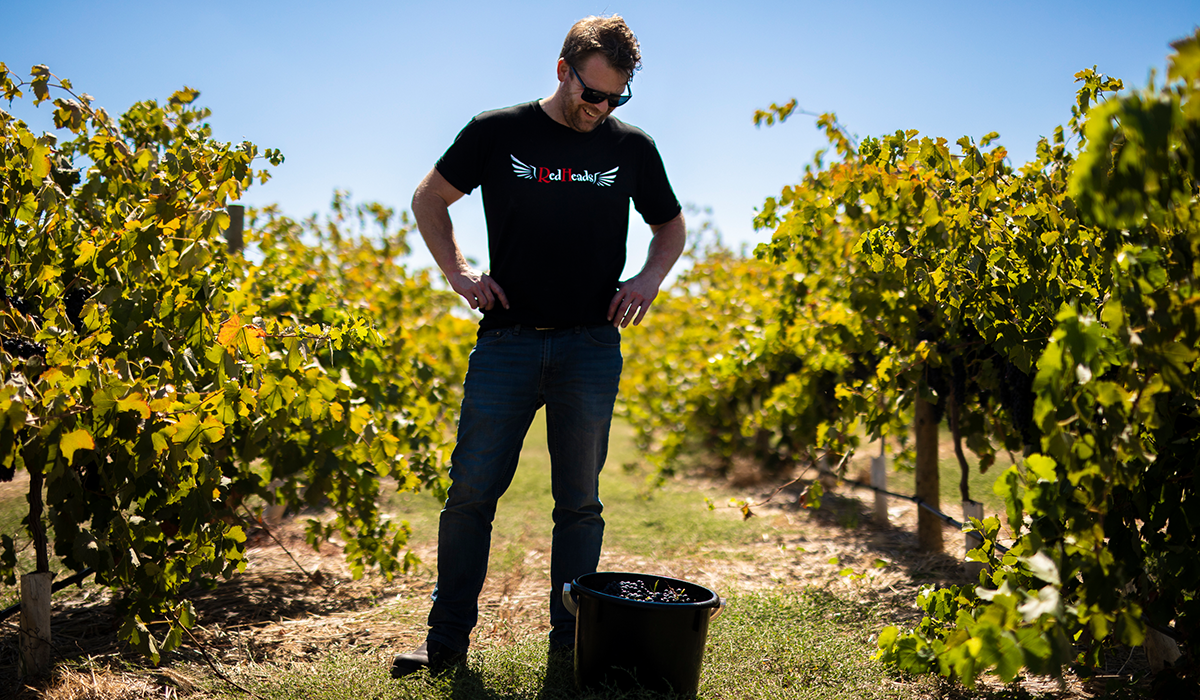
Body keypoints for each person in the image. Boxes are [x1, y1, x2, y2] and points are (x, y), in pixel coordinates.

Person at [391, 14, 686, 678]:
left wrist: (647, 277)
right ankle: (445, 647)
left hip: (589, 348)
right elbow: (429, 198)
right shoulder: (498, 132)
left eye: (616, 98)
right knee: (470, 493)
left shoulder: (632, 148)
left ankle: (570, 649)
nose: (601, 109)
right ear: (563, 70)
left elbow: (670, 226)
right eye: (593, 94)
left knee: (578, 504)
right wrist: (458, 271)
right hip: (508, 345)